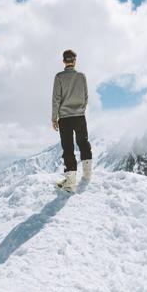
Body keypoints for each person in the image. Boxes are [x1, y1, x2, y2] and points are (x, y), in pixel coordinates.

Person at [51, 49, 92, 192]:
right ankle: (87, 175)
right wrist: (80, 110)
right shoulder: (82, 76)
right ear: (75, 61)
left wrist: (54, 118)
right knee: (83, 143)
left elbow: (56, 99)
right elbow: (86, 97)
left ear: (64, 61)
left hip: (65, 118)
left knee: (68, 148)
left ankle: (70, 183)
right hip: (80, 116)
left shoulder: (59, 77)